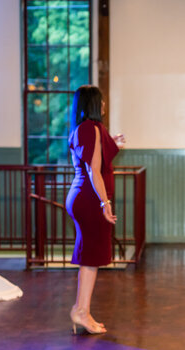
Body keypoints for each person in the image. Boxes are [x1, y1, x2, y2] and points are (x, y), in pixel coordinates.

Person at [66, 85, 125, 335]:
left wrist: (115, 146)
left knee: (89, 257)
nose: (103, 106)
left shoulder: (87, 129)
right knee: (90, 258)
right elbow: (93, 170)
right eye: (100, 102)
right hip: (89, 200)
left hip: (86, 198)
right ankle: (81, 311)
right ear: (92, 104)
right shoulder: (90, 128)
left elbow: (95, 160)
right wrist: (105, 202)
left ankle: (82, 309)